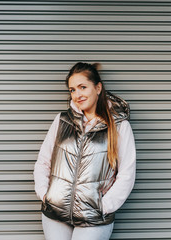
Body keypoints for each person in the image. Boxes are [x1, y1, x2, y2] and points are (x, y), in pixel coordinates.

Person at [33, 62, 136, 240]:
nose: (77, 95)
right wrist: (45, 194)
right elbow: (43, 161)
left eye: (82, 87)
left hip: (94, 217)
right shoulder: (62, 120)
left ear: (98, 88)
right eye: (72, 90)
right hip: (55, 213)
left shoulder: (119, 126)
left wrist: (103, 206)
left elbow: (127, 173)